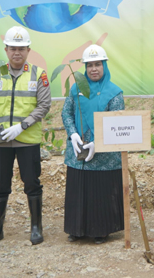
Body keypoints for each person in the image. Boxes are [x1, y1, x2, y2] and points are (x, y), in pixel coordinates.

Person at [0, 26, 51, 247]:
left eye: (21, 48)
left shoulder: (39, 74)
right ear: (6, 50)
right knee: (0, 184)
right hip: (1, 141)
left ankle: (36, 227)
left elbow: (44, 105)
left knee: (32, 182)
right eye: (12, 48)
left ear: (28, 50)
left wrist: (22, 126)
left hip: (27, 140)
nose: (17, 52)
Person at [61, 45, 125, 243]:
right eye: (89, 65)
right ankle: (76, 229)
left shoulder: (114, 93)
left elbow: (116, 122)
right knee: (79, 188)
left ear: (104, 65)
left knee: (101, 190)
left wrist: (98, 143)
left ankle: (101, 229)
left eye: (98, 64)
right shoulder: (76, 89)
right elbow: (66, 112)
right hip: (78, 150)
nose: (93, 69)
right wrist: (73, 134)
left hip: (104, 155)